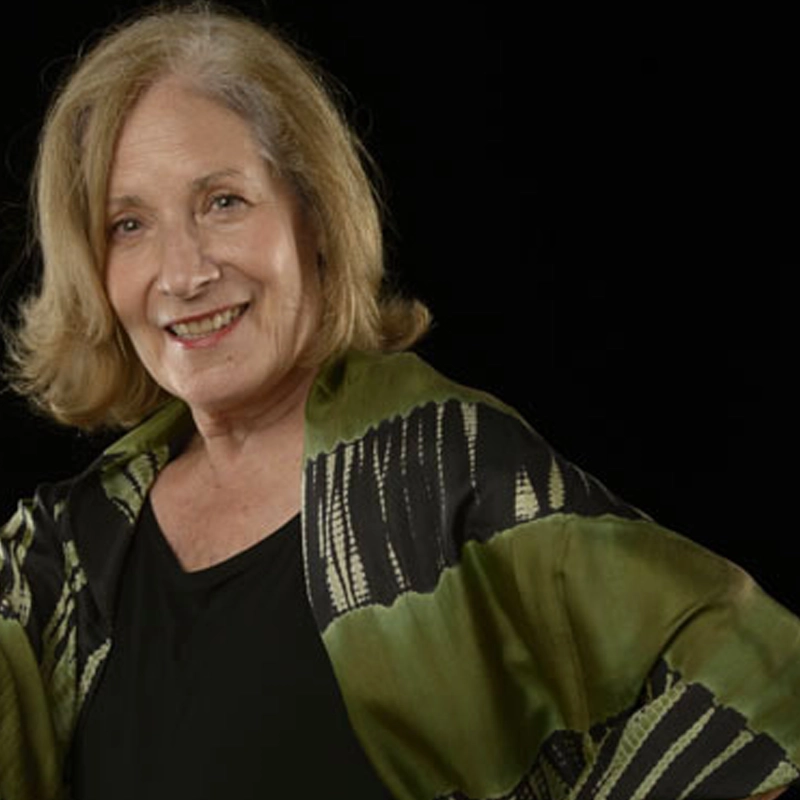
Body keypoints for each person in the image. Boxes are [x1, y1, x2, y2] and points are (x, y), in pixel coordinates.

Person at [0, 4, 797, 799]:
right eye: (128, 224)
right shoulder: (64, 555)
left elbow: (759, 680)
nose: (182, 271)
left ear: (313, 215)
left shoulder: (447, 478)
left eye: (223, 202)